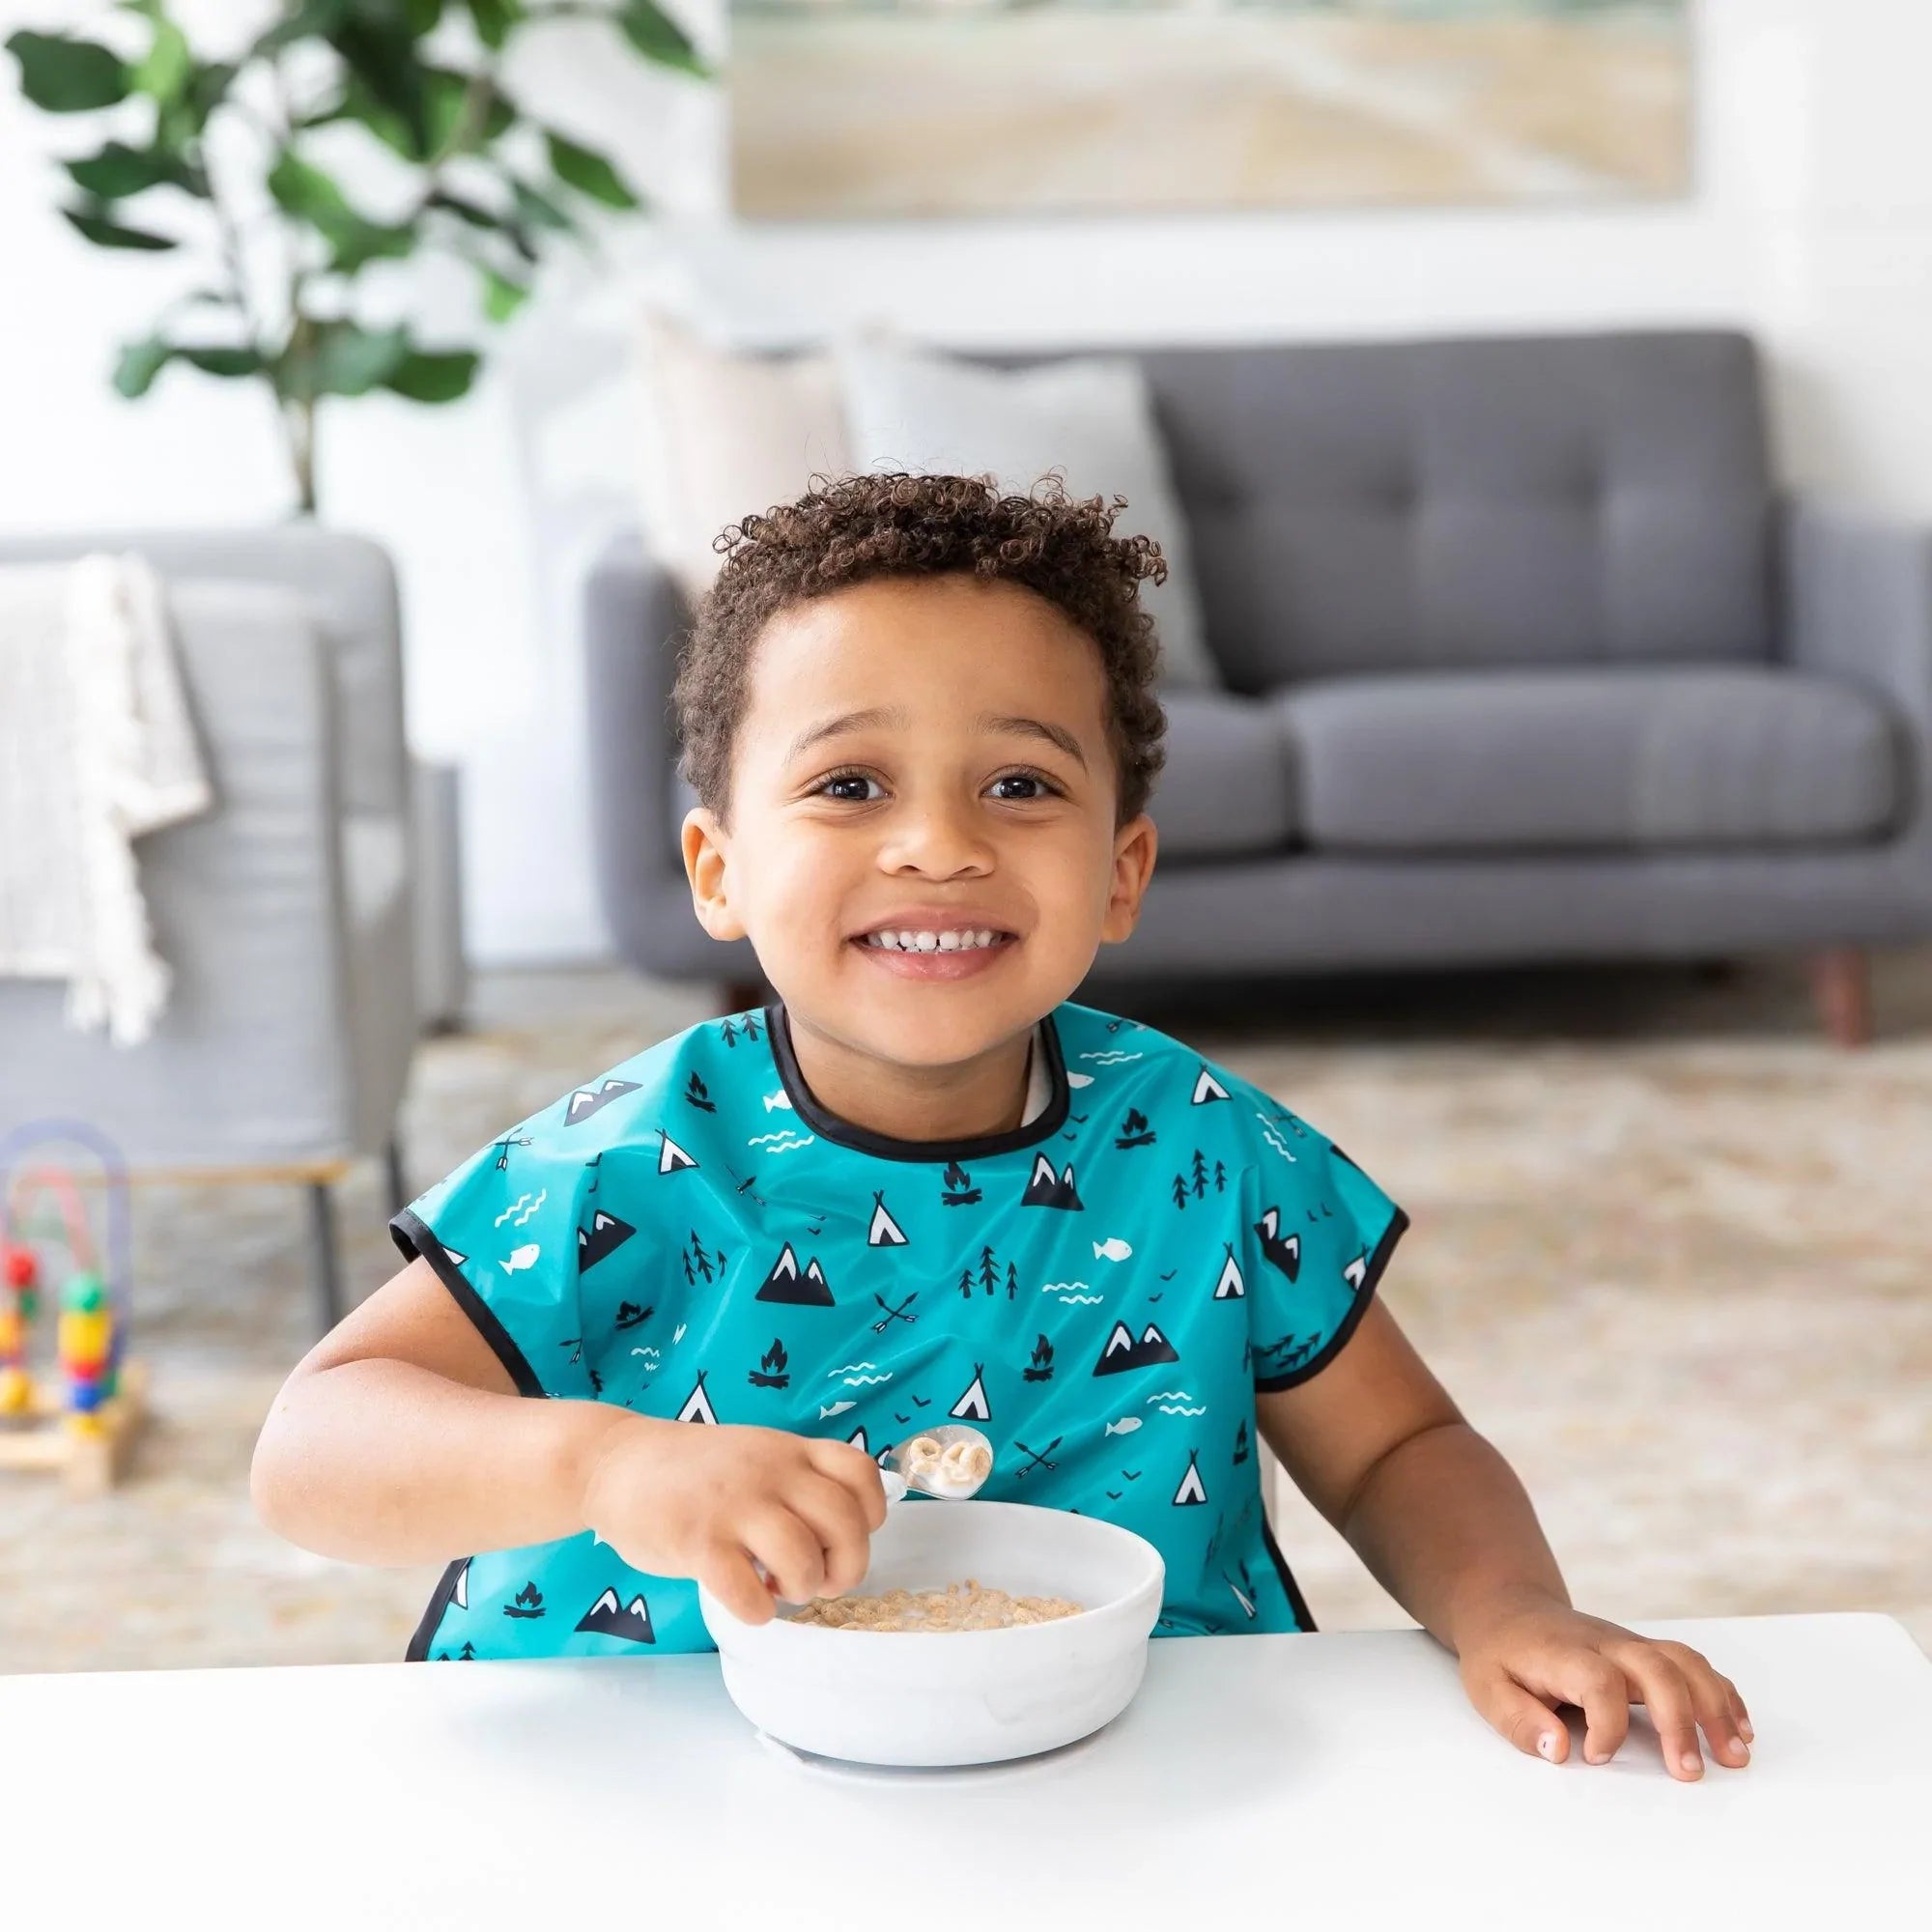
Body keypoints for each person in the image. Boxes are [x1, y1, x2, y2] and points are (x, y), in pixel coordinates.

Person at [253, 471, 1752, 1780]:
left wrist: (1515, 1612)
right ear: (717, 868)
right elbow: (311, 1448)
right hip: (660, 1770)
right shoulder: (618, 1165)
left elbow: (1399, 1448)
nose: (940, 845)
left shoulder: (1207, 1151)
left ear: (1120, 870)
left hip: (1143, 1760)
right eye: (849, 783)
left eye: (1021, 784)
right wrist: (602, 1469)